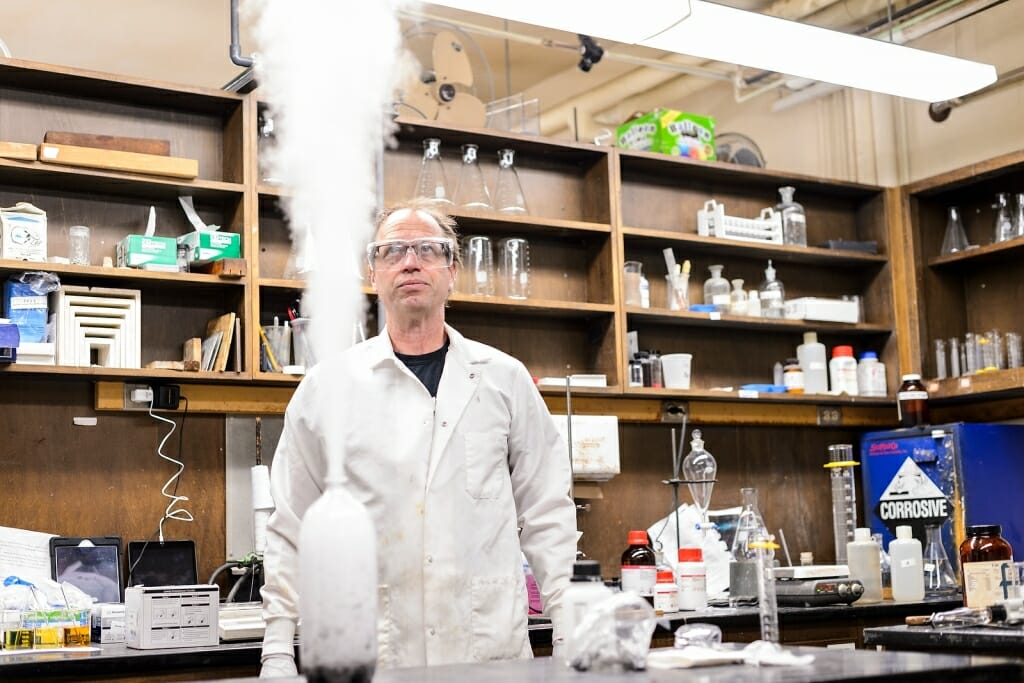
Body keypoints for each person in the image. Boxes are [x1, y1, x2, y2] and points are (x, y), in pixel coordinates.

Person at [259, 200, 577, 677]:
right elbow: (291, 527)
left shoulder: (504, 380)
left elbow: (548, 513)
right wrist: (278, 650)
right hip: (374, 650)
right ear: (373, 273)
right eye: (392, 251)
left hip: (486, 649)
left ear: (452, 271)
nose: (410, 261)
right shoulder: (328, 389)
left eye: (428, 249)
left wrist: (570, 626)